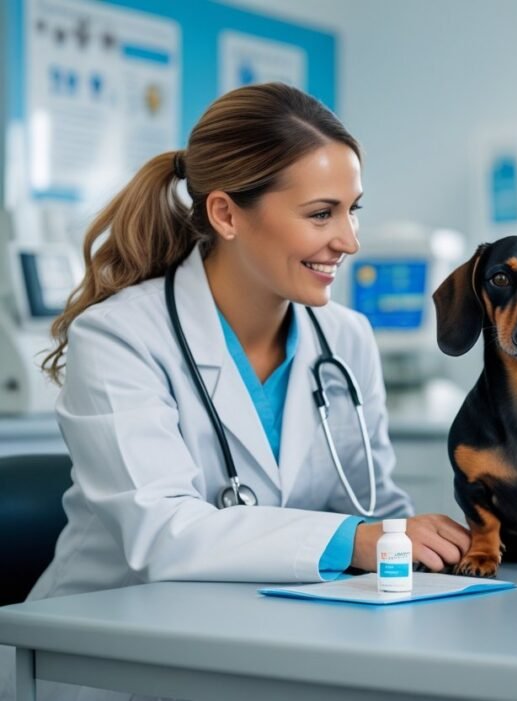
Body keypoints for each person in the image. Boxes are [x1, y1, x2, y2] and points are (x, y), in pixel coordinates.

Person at [1, 82, 469, 700]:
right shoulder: (119, 337)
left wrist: (426, 543)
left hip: (266, 648)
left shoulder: (345, 337)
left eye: (353, 209)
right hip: (107, 666)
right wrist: (354, 539)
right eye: (321, 213)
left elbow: (373, 506)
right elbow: (161, 534)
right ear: (226, 214)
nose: (350, 241)